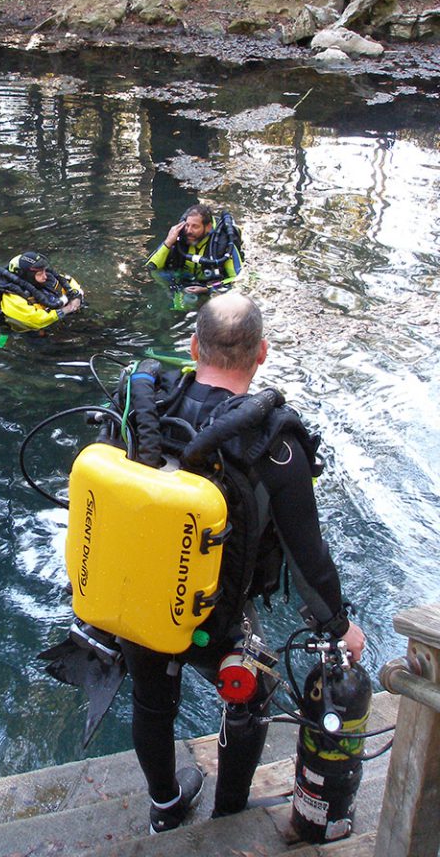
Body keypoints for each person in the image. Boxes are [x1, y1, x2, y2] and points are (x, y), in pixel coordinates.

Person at [111, 294, 365, 833]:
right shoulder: (275, 442)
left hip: (140, 598)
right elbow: (307, 552)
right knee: (253, 697)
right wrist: (339, 626)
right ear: (263, 353)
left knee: (151, 702)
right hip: (217, 616)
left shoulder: (147, 406)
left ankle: (165, 806)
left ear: (193, 346)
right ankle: (227, 813)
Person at [146, 205, 243, 311]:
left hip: (210, 284)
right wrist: (168, 242)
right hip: (184, 280)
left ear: (208, 227)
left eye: (195, 226)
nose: (189, 231)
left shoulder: (223, 245)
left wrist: (207, 289)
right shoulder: (178, 238)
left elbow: (238, 278)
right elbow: (152, 267)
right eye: (187, 225)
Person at [0, 251, 83, 334]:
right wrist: (67, 309)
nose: (45, 276)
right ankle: (0, 343)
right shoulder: (12, 296)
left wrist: (76, 297)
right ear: (28, 276)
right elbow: (35, 321)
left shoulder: (45, 277)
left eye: (44, 271)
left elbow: (69, 283)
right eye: (40, 274)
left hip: (57, 315)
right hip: (31, 330)